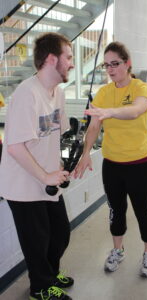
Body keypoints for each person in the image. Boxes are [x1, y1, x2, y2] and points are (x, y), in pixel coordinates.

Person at [0, 32, 75, 300]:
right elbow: (14, 147)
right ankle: (40, 288)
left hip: (47, 179)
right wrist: (45, 175)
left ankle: (49, 276)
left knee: (60, 235)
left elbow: (56, 134)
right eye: (69, 57)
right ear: (52, 59)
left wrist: (65, 164)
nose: (72, 63)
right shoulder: (26, 94)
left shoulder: (58, 93)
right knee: (37, 241)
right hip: (22, 183)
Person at [74, 41, 147, 277]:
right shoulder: (104, 92)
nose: (110, 70)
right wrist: (86, 153)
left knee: (143, 211)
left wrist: (109, 112)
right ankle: (117, 250)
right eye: (106, 65)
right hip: (112, 164)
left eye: (115, 64)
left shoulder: (141, 88)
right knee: (115, 211)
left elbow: (136, 110)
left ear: (127, 64)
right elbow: (93, 127)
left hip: (140, 163)